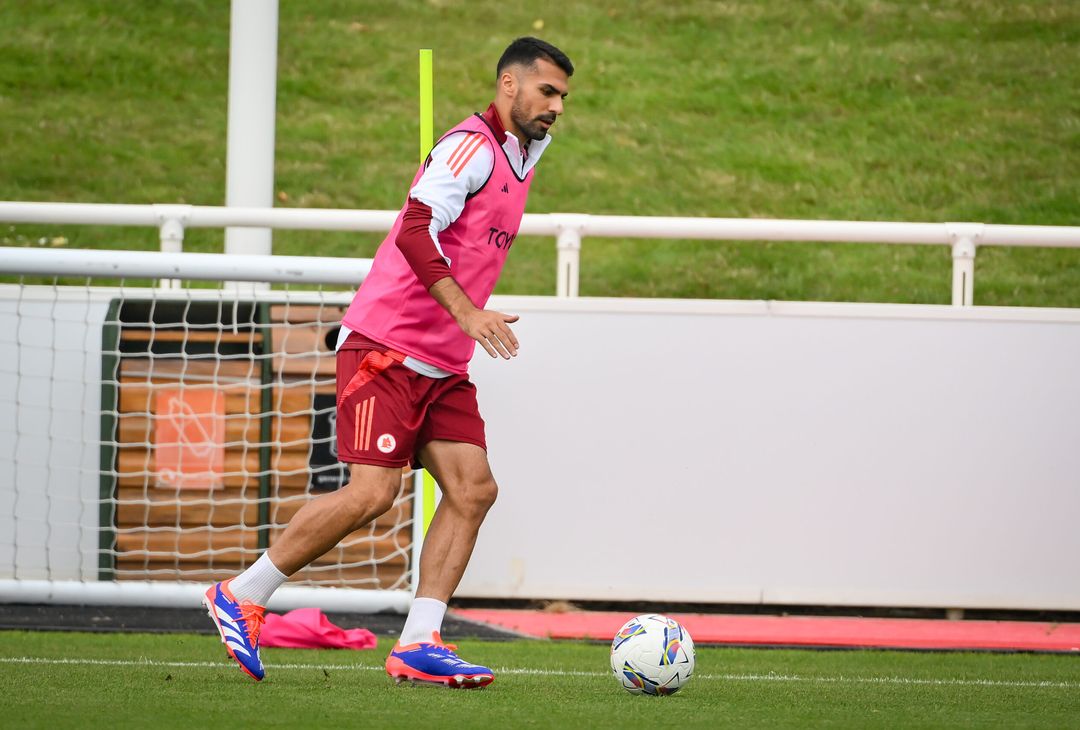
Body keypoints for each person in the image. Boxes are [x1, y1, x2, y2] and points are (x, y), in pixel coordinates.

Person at [203, 37, 573, 686]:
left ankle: (419, 642)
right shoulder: (470, 147)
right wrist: (468, 311)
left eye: (564, 96)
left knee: (472, 490)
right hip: (388, 347)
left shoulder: (526, 149)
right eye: (547, 91)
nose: (558, 107)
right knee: (375, 491)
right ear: (508, 86)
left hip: (442, 362)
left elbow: (454, 209)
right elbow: (413, 227)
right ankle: (242, 593)